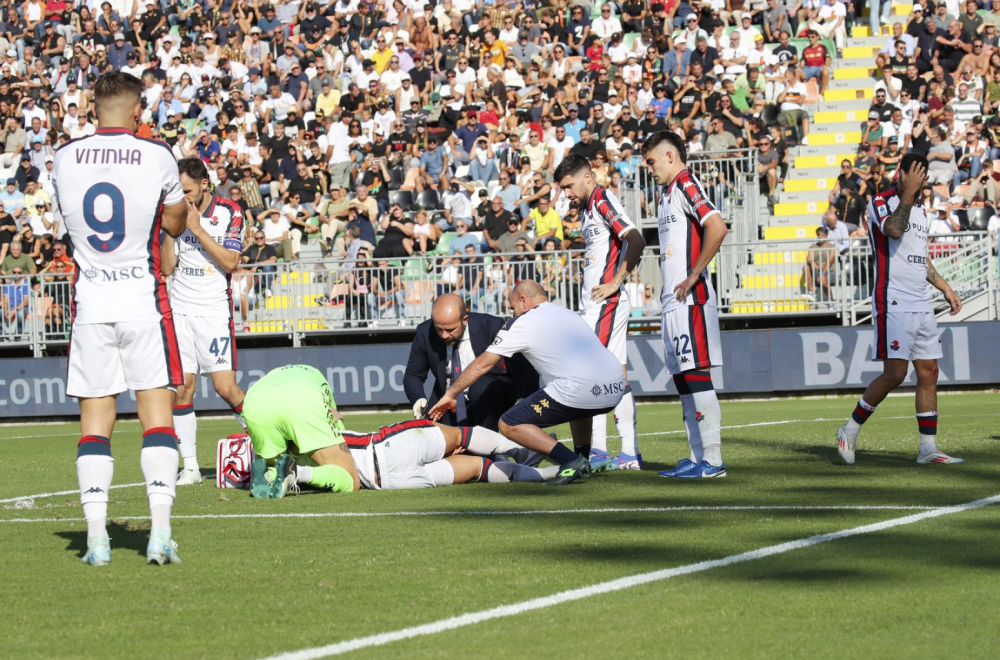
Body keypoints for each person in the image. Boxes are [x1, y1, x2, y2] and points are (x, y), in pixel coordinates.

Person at [53, 72, 189, 566]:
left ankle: (96, 540)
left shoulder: (64, 157)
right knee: (157, 418)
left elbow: (67, 227)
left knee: (94, 426)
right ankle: (159, 534)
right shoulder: (156, 155)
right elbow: (175, 221)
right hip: (142, 301)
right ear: (137, 111)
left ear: (93, 108)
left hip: (92, 305)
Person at [241, 365, 559, 499]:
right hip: (393, 446)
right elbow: (465, 437)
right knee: (462, 436)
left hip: (392, 482)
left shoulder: (303, 444)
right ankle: (531, 458)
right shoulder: (320, 424)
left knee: (478, 469)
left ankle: (545, 474)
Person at [428, 281, 629, 486]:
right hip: (615, 388)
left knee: (509, 423)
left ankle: (570, 460)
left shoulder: (522, 322)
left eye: (512, 307)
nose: (512, 313)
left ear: (523, 301)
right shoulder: (568, 313)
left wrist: (450, 394)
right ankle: (582, 457)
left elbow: (482, 364)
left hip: (581, 389)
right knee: (578, 400)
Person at [836, 155, 965, 466]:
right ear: (901, 174)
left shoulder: (921, 210)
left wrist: (945, 288)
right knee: (895, 373)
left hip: (921, 300)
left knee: (929, 371)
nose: (919, 180)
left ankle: (928, 449)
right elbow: (894, 229)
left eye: (923, 175)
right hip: (893, 298)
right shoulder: (881, 201)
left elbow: (920, 256)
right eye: (913, 174)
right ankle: (849, 430)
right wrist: (908, 192)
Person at [641, 131, 729, 479]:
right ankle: (697, 456)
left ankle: (713, 461)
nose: (649, 169)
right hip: (673, 301)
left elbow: (717, 227)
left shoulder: (686, 184)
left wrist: (694, 274)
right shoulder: (666, 195)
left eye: (651, 162)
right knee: (682, 378)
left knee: (695, 374)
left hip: (691, 299)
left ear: (670, 156)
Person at [553, 153, 647, 471]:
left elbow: (635, 239)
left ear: (587, 177)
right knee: (615, 375)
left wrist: (615, 282)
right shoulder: (588, 208)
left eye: (569, 186)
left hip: (605, 303)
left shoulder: (602, 199)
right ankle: (628, 453)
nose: (566, 193)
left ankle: (599, 450)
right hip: (600, 303)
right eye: (563, 188)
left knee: (588, 373)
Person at [160, 157, 248, 487]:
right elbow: (166, 268)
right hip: (180, 310)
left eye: (187, 191)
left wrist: (196, 228)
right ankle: (191, 468)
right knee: (182, 389)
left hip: (213, 312)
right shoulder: (173, 212)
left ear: (204, 185)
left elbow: (231, 262)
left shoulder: (229, 212)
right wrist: (172, 230)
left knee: (226, 388)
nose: (182, 197)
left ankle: (266, 445)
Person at [404, 293, 537, 431]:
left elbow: (524, 366)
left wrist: (525, 399)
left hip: (490, 397)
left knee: (481, 387)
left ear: (464, 319)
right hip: (447, 399)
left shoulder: (491, 326)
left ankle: (488, 439)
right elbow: (413, 374)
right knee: (433, 437)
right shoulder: (425, 332)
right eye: (439, 329)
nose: (444, 335)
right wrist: (418, 397)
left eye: (450, 330)